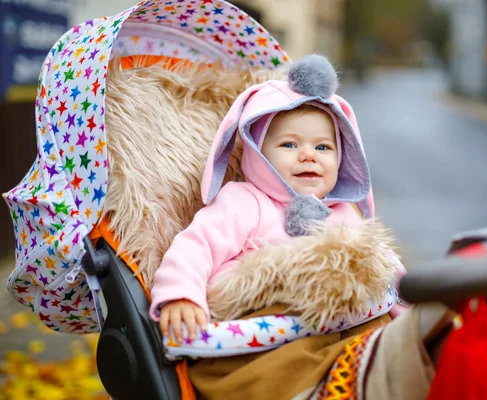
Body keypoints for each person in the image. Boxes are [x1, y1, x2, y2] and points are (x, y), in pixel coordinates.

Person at [149, 54, 406, 343]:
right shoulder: (243, 202)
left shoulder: (343, 214)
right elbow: (196, 248)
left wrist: (410, 305)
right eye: (289, 144)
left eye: (323, 147)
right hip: (261, 337)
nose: (308, 155)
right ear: (257, 152)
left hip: (336, 331)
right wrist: (181, 295)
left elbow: (382, 265)